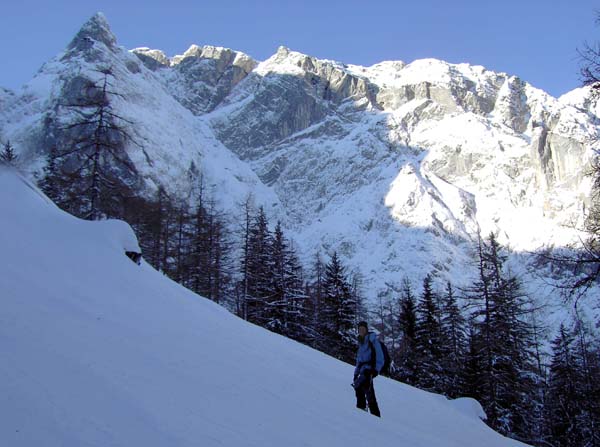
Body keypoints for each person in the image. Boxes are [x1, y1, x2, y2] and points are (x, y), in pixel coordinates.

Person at [353, 321, 383, 417]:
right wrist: (355, 373)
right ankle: (362, 411)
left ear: (366, 330)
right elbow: (359, 360)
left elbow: (380, 357)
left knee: (367, 391)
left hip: (369, 370)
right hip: (362, 371)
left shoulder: (372, 341)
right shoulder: (361, 342)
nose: (361, 330)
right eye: (359, 329)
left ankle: (374, 415)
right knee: (360, 389)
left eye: (363, 329)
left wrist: (375, 370)